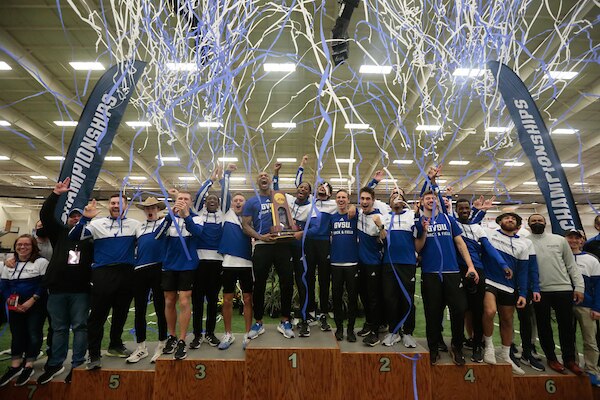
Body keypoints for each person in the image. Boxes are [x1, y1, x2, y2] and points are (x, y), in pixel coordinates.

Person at [69, 194, 140, 369]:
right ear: (109, 205)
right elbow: (73, 236)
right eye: (113, 203)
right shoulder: (97, 224)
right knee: (98, 315)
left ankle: (115, 345)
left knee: (121, 313)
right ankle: (94, 354)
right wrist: (85, 218)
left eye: (119, 203)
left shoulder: (135, 225)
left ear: (126, 206)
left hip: (126, 273)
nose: (116, 205)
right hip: (103, 273)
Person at [37, 178, 93, 384]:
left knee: (80, 327)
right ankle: (55, 363)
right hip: (57, 289)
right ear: (67, 219)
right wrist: (55, 194)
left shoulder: (90, 237)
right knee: (59, 328)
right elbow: (45, 215)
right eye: (73, 216)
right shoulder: (59, 233)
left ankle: (77, 365)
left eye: (79, 216)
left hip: (81, 290)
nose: (76, 218)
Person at [417, 190, 478, 365]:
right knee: (432, 313)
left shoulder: (448, 220)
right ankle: (434, 348)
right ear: (422, 202)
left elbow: (460, 243)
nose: (430, 200)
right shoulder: (419, 221)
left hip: (452, 272)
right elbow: (418, 248)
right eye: (427, 198)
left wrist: (470, 266)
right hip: (430, 273)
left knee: (459, 310)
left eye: (433, 198)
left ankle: (457, 347)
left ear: (437, 201)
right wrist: (423, 231)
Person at [454, 198, 511, 364]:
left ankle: (478, 345)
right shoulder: (453, 225)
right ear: (456, 211)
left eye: (466, 208)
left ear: (470, 210)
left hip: (477, 270)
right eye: (461, 208)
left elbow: (489, 248)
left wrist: (503, 264)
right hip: (458, 270)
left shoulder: (478, 228)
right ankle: (459, 343)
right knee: (460, 309)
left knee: (478, 310)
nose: (464, 211)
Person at [527, 214, 585, 375]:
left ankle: (569, 360)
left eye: (539, 220)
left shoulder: (559, 240)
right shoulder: (525, 241)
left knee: (567, 326)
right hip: (539, 291)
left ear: (545, 223)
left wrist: (579, 286)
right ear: (528, 224)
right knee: (544, 327)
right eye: (533, 221)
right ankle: (551, 358)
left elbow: (571, 265)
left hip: (563, 289)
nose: (537, 223)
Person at [242, 170, 295, 339]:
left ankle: (285, 321)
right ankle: (258, 323)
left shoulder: (280, 198)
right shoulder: (251, 202)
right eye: (260, 176)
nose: (263, 177)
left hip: (282, 245)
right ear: (257, 181)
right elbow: (245, 225)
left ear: (271, 180)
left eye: (266, 175)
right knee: (259, 284)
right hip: (262, 245)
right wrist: (260, 237)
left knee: (287, 282)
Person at [482, 212, 531, 375]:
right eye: (506, 218)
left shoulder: (523, 244)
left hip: (509, 287)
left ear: (517, 224)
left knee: (508, 320)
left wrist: (523, 293)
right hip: (489, 280)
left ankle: (505, 354)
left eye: (513, 219)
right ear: (499, 221)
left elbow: (523, 271)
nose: (510, 220)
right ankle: (488, 347)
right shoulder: (489, 234)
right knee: (490, 311)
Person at [155, 191, 200, 360]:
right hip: (169, 265)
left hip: (188, 265)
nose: (182, 201)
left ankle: (182, 340)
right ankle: (172, 336)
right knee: (169, 301)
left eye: (186, 199)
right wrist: (169, 217)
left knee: (184, 301)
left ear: (191, 202)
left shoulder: (196, 218)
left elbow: (198, 234)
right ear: (175, 201)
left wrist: (186, 216)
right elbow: (157, 236)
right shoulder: (168, 219)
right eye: (180, 198)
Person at [0, 235, 49, 387]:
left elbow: (43, 284)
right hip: (15, 306)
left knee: (33, 333)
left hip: (35, 305)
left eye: (27, 244)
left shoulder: (41, 262)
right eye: (19, 244)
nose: (22, 247)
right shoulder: (10, 264)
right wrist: (9, 299)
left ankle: (29, 365)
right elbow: (4, 285)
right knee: (17, 334)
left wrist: (32, 300)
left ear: (33, 247)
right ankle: (15, 366)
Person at [378, 187, 424, 348]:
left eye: (399, 195)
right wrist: (380, 228)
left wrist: (418, 215)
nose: (396, 197)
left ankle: (408, 332)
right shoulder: (384, 217)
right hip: (389, 263)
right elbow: (382, 240)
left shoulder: (411, 215)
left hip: (407, 263)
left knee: (407, 298)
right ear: (389, 201)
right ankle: (394, 331)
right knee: (390, 298)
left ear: (404, 200)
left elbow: (419, 234)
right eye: (393, 195)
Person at [272, 157, 313, 336]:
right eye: (300, 187)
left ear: (309, 193)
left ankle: (304, 318)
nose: (302, 189)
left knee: (302, 283)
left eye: (306, 188)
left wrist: (301, 231)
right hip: (284, 247)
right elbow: (275, 190)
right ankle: (286, 318)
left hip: (300, 250)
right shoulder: (288, 200)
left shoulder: (311, 207)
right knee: (286, 283)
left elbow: (314, 227)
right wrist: (276, 173)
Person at [126, 196, 168, 364]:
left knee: (160, 308)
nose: (150, 210)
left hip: (158, 267)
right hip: (140, 270)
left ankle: (162, 343)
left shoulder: (165, 223)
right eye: (147, 208)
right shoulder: (139, 226)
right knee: (140, 309)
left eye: (153, 208)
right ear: (144, 210)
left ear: (158, 209)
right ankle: (141, 347)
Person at [189, 166, 228, 349]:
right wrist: (211, 180)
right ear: (205, 203)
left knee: (213, 300)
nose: (212, 200)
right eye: (209, 199)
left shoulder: (223, 215)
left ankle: (210, 334)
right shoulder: (198, 214)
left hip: (217, 263)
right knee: (197, 300)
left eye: (215, 199)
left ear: (218, 204)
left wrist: (224, 179)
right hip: (199, 263)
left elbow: (227, 196)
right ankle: (197, 335)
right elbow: (198, 196)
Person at [217, 167, 254, 350]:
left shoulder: (250, 218)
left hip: (247, 263)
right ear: (231, 203)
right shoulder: (227, 213)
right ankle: (228, 334)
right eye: (236, 200)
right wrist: (227, 175)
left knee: (247, 299)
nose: (238, 202)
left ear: (245, 204)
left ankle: (248, 334)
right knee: (227, 300)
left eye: (241, 200)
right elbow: (224, 193)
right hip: (229, 264)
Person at [566, 229, 600, 386]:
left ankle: (592, 370)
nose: (573, 241)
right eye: (570, 238)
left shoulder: (591, 260)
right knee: (568, 337)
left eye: (577, 238)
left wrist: (597, 307)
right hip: (565, 305)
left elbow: (598, 286)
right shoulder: (560, 258)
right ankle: (572, 363)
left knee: (590, 339)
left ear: (582, 241)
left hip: (586, 305)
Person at [325, 189, 358, 341]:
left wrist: (354, 207)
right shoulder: (332, 218)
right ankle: (339, 328)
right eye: (338, 197)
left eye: (344, 197)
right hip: (336, 263)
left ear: (348, 200)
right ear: (335, 200)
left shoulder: (355, 215)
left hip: (352, 262)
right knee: (337, 298)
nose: (341, 199)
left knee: (352, 298)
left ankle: (350, 330)